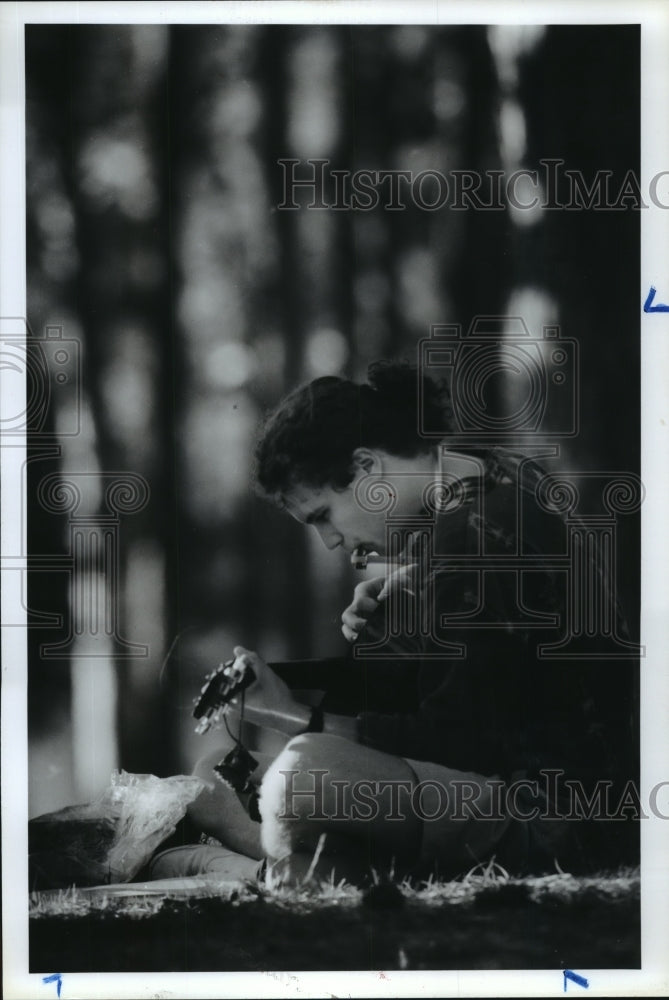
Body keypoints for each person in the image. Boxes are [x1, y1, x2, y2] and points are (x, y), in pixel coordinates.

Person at [153, 361, 638, 886]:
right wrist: (416, 593)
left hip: (559, 819)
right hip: (532, 800)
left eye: (322, 516)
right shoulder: (494, 479)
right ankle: (286, 866)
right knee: (222, 767)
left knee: (301, 775)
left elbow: (455, 743)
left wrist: (292, 716)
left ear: (367, 468)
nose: (332, 542)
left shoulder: (471, 542)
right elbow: (468, 684)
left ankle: (246, 851)